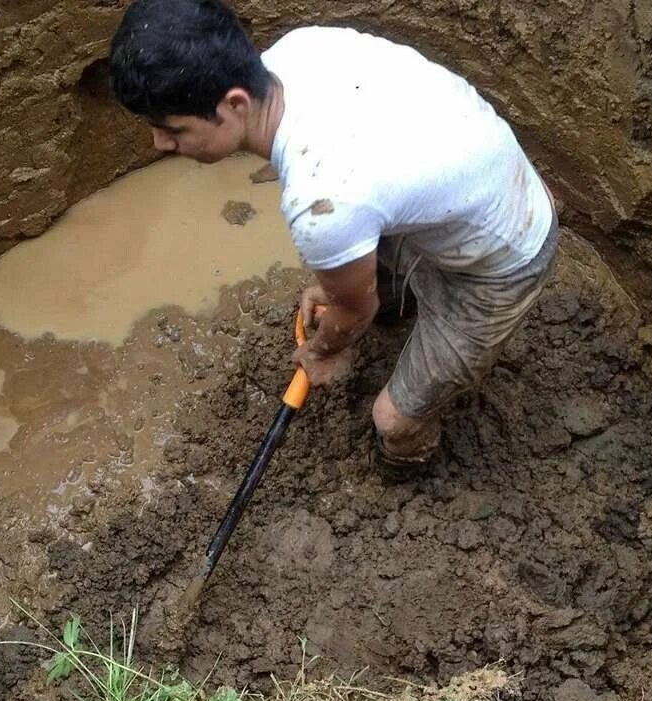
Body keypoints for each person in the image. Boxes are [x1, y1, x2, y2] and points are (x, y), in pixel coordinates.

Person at [109, 0, 557, 466]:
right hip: (476, 195)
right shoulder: (297, 51)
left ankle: (408, 466)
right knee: (356, 283)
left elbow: (353, 304)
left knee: (393, 423)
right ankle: (399, 302)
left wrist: (327, 347)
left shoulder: (322, 201)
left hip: (505, 259)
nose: (160, 143)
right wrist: (338, 287)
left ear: (234, 104)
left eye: (171, 128)